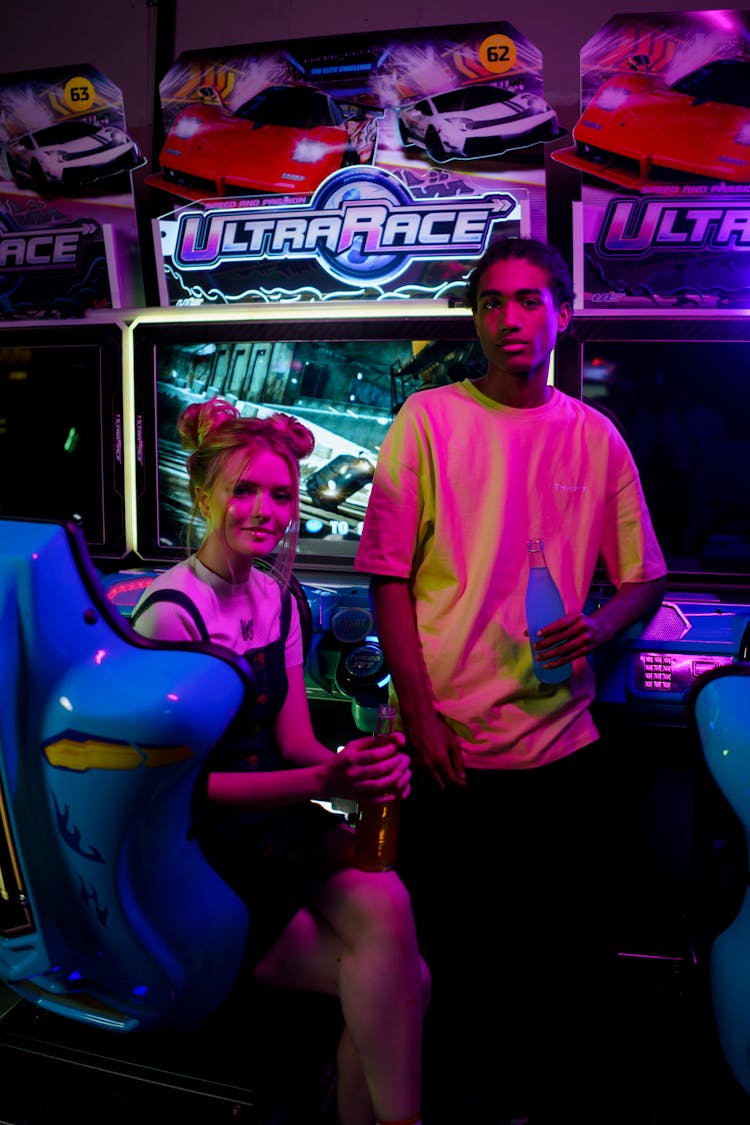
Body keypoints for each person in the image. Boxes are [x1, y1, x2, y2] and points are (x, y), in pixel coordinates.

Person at [354, 236, 668, 1124]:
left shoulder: (593, 434)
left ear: (560, 314)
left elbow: (647, 574)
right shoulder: (426, 420)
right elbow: (386, 575)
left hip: (563, 747)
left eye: (529, 301)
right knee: (447, 963)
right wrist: (421, 717)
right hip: (450, 747)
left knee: (560, 963)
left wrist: (603, 623)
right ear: (476, 320)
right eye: (491, 303)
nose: (510, 320)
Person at [131, 397, 429, 1125]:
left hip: (277, 828)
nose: (265, 509)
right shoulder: (171, 613)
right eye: (244, 490)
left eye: (281, 493)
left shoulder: (278, 596)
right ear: (204, 494)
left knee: (390, 902)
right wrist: (322, 781)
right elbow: (179, 790)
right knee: (402, 981)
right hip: (204, 856)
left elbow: (296, 741)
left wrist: (351, 765)